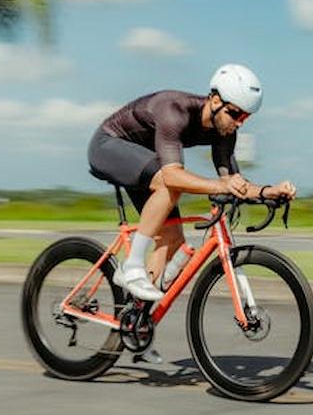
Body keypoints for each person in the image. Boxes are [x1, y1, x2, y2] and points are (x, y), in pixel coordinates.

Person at [88, 64, 296, 303]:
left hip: (146, 160)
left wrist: (269, 192)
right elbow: (172, 176)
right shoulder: (175, 110)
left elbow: (233, 182)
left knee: (174, 239)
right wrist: (219, 185)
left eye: (246, 117)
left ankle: (134, 318)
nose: (240, 123)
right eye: (236, 114)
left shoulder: (225, 131)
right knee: (171, 186)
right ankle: (131, 267)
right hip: (108, 145)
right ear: (216, 100)